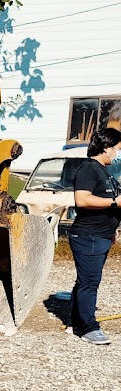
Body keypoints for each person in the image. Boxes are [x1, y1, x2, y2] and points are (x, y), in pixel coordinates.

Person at [68, 127, 121, 344]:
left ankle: (75, 322)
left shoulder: (103, 171)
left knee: (85, 281)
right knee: (90, 282)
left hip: (100, 236)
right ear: (106, 148)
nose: (117, 153)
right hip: (88, 236)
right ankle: (88, 328)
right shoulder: (88, 169)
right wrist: (114, 203)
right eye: (117, 149)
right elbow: (82, 200)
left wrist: (113, 229)